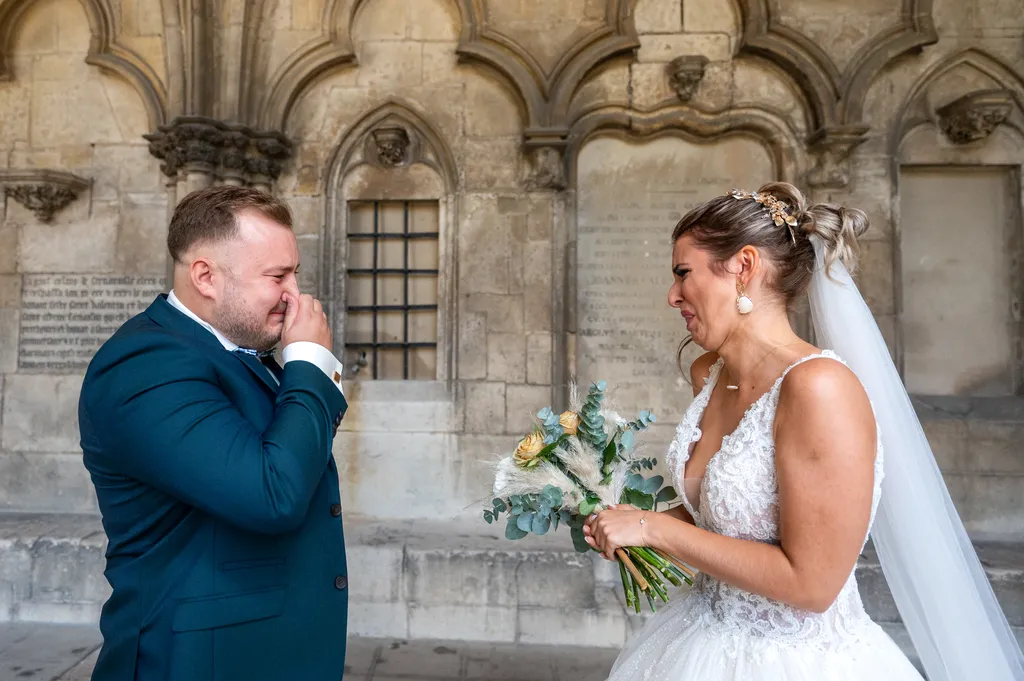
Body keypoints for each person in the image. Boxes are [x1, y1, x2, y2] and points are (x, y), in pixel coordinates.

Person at [584, 182, 1024, 681]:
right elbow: (716, 517)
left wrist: (653, 529)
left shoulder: (819, 389)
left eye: (684, 273)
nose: (672, 295)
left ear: (744, 267)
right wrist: (633, 524)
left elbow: (813, 584)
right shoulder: (709, 374)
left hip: (797, 660)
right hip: (698, 639)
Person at [79, 186, 350, 681]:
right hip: (194, 663)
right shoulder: (145, 364)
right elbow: (272, 494)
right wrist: (311, 364)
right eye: (277, 276)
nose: (295, 294)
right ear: (205, 275)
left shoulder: (238, 351)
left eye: (295, 273)